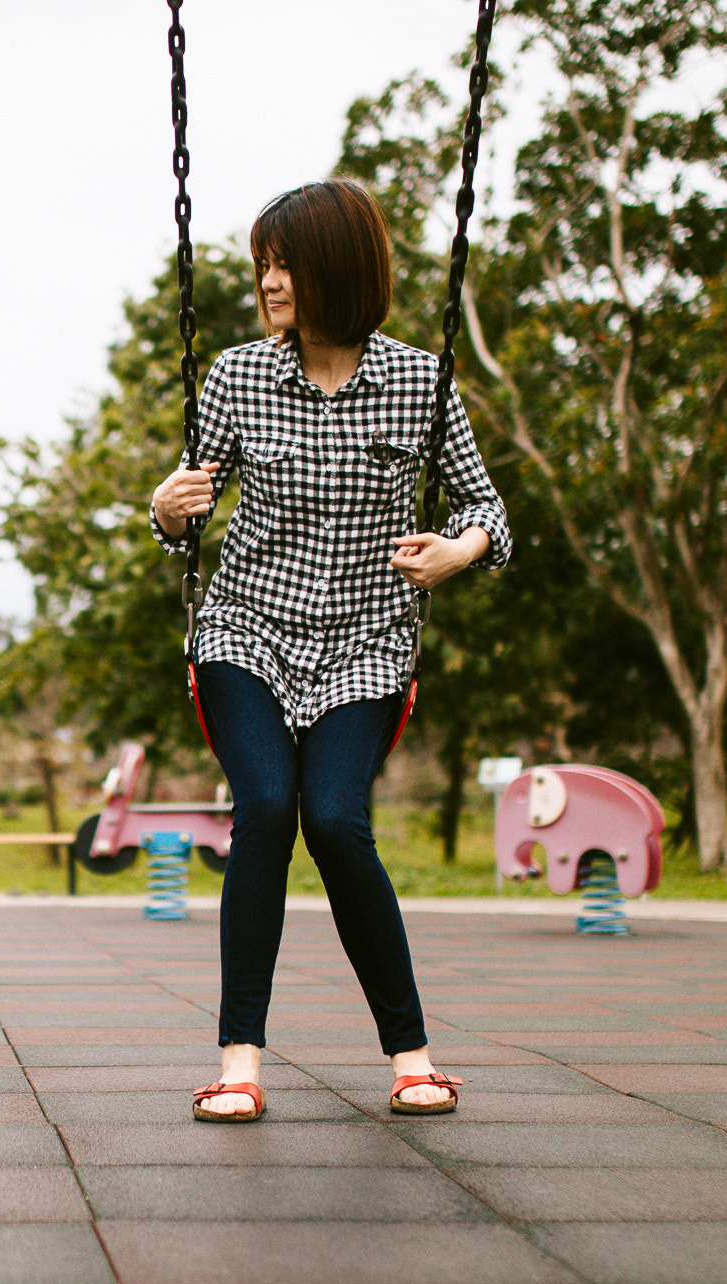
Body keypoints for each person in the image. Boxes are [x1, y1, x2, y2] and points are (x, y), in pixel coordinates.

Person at [150, 179, 511, 1122]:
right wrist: (167, 507)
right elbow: (185, 504)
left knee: (338, 822)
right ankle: (238, 1062)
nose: (268, 281)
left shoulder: (417, 384)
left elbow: (485, 509)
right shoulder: (235, 375)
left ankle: (412, 1054)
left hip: (365, 644)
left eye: (284, 263)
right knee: (266, 808)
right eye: (262, 263)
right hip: (246, 632)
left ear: (333, 269)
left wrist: (455, 552)